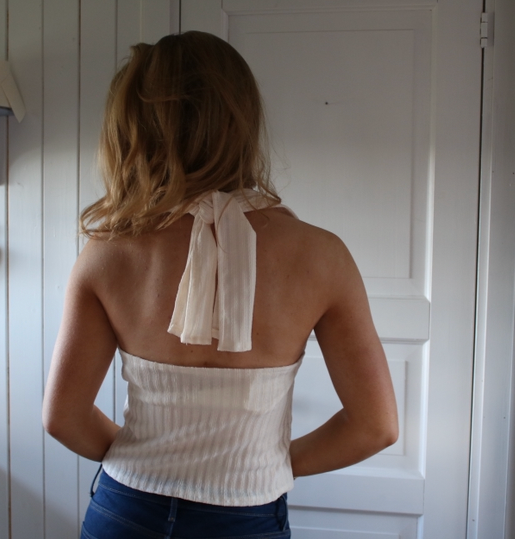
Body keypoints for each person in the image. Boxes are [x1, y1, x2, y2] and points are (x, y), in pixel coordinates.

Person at [42, 31, 398, 539]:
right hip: (246, 518)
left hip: (126, 511)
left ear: (132, 130)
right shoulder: (322, 257)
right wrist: (269, 466)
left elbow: (63, 417)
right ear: (242, 121)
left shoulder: (107, 254)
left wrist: (146, 465)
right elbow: (376, 426)